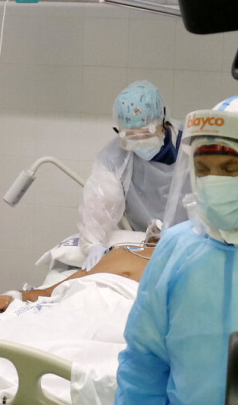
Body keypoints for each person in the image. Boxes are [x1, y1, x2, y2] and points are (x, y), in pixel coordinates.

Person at [99, 95, 238, 405]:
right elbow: (146, 361)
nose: (214, 181)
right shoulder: (177, 249)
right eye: (203, 168)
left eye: (230, 168)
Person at [77, 80, 189, 271]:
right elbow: (100, 200)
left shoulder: (192, 145)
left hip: (190, 243)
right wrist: (94, 243)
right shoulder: (114, 157)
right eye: (130, 137)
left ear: (163, 119)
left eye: (146, 134)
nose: (139, 143)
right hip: (142, 245)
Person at [0, 240, 156, 317]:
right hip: (68, 313)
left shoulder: (172, 266)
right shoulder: (124, 254)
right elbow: (49, 293)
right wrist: (14, 296)